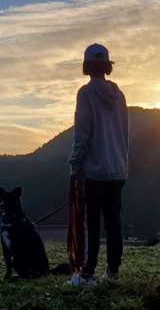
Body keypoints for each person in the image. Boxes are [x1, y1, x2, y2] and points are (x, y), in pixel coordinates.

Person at [67, 43, 129, 285]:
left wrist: (74, 165)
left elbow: (82, 134)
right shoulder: (120, 95)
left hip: (94, 172)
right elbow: (124, 132)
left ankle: (88, 271)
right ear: (106, 66)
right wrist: (123, 164)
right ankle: (113, 272)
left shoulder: (86, 94)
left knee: (92, 223)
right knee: (114, 223)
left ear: (87, 66)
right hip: (118, 169)